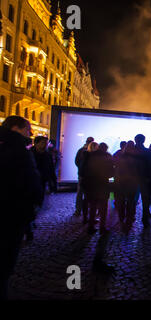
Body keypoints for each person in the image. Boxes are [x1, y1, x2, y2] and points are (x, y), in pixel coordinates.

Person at [0, 116, 42, 300]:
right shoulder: (19, 150)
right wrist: (35, 202)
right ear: (16, 128)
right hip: (12, 211)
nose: (30, 133)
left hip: (9, 207)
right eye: (27, 129)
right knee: (6, 257)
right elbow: (30, 181)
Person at [79, 142, 114, 234]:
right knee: (103, 207)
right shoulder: (108, 156)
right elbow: (111, 173)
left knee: (93, 206)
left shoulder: (89, 155)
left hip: (90, 184)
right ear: (106, 148)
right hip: (102, 185)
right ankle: (102, 228)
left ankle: (90, 226)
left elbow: (81, 171)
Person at [114, 141, 141, 233]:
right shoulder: (136, 156)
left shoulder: (119, 154)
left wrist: (112, 181)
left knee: (121, 200)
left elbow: (114, 168)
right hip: (132, 182)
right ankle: (130, 217)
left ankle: (121, 217)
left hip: (120, 182)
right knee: (131, 201)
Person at [31, 136, 55, 204]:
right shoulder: (30, 154)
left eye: (46, 143)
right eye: (42, 143)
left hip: (43, 181)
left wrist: (53, 182)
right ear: (36, 143)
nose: (44, 145)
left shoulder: (48, 155)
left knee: (40, 200)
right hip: (32, 181)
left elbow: (51, 169)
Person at [134, 134, 151, 228]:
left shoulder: (130, 151)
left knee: (132, 199)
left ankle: (130, 217)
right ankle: (145, 219)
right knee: (145, 200)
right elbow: (150, 166)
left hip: (132, 179)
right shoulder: (147, 151)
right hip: (144, 178)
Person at [74, 137, 94, 217]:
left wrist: (80, 169)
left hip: (82, 175)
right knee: (87, 194)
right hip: (88, 176)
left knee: (80, 192)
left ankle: (78, 210)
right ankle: (87, 211)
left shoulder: (81, 150)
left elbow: (76, 161)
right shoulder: (91, 151)